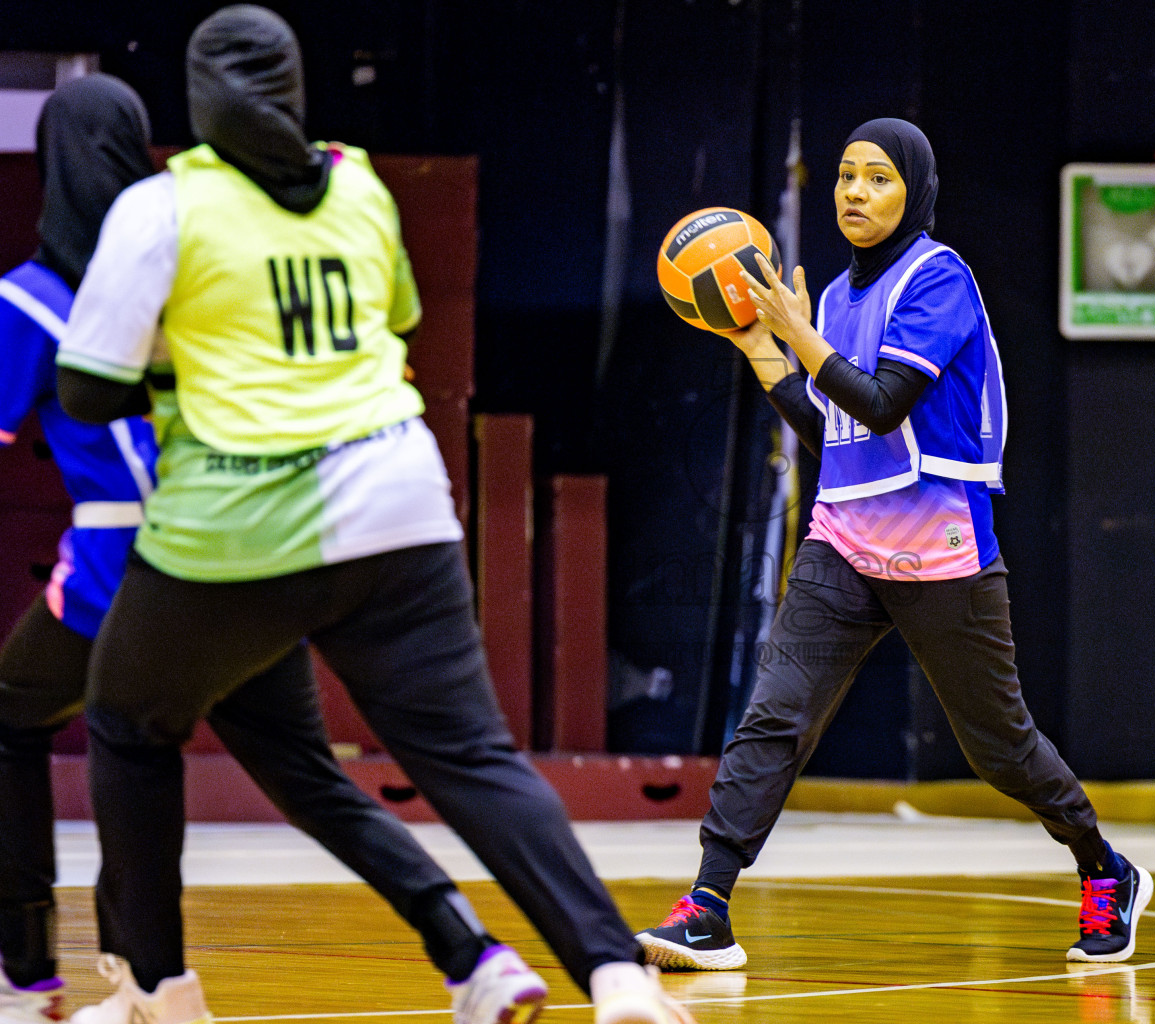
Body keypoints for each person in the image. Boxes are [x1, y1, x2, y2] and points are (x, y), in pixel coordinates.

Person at [52, 9, 693, 1024]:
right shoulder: (359, 186)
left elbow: (86, 392)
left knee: (129, 724)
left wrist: (186, 354)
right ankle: (616, 974)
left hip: (238, 522)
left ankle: (161, 990)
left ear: (201, 100)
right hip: (397, 507)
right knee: (475, 756)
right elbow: (391, 322)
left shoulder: (166, 205)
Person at [0, 73, 550, 1024]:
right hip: (242, 557)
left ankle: (35, 970)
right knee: (307, 779)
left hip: (128, 566)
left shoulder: (33, 298)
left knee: (27, 723)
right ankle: (471, 951)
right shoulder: (182, 261)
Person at [636, 118, 1152, 970]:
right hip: (843, 541)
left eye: (876, 178)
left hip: (941, 547)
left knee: (1001, 748)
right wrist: (763, 348)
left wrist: (799, 340)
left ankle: (1104, 866)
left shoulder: (938, 279)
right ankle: (710, 904)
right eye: (844, 176)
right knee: (774, 717)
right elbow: (833, 430)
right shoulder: (833, 299)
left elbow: (883, 404)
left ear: (913, 189)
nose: (854, 192)